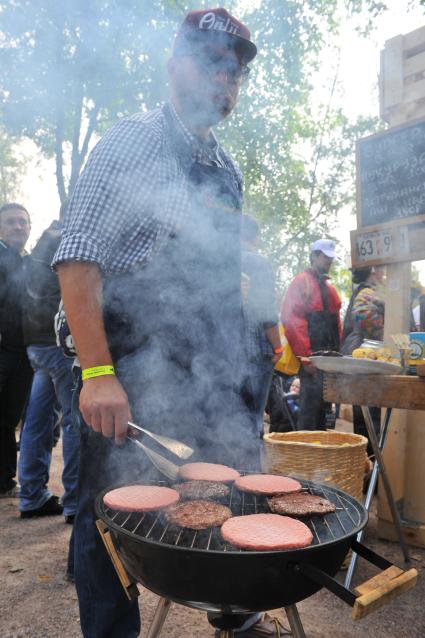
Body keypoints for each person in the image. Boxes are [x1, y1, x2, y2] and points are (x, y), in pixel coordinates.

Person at [53, 9, 281, 638]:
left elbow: (219, 287)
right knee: (112, 516)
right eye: (211, 63)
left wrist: (237, 383)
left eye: (234, 74)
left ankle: (234, 615)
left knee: (229, 490)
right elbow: (77, 258)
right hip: (129, 368)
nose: (224, 83)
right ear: (175, 63)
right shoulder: (134, 142)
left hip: (204, 371)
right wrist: (99, 374)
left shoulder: (226, 170)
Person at [18, 205, 80, 522]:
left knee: (38, 420)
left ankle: (30, 496)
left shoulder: (46, 238)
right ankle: (74, 503)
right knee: (73, 420)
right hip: (57, 346)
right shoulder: (70, 238)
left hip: (36, 344)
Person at [280, 239, 341, 430]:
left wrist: (338, 358)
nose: (329, 262)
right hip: (311, 360)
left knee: (325, 411)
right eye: (325, 257)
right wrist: (306, 358)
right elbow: (292, 321)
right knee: (309, 410)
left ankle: (320, 453)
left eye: (331, 258)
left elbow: (336, 324)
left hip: (329, 360)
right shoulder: (301, 282)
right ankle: (304, 452)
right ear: (314, 256)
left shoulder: (330, 289)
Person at [0, 202, 33, 497]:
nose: (18, 227)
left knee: (8, 418)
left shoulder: (27, 262)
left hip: (22, 354)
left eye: (23, 222)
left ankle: (5, 481)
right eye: (11, 222)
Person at [240, 214, 281, 438]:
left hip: (226, 354)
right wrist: (278, 347)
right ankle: (250, 469)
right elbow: (266, 311)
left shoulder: (221, 261)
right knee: (253, 418)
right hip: (256, 354)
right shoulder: (259, 263)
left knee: (230, 416)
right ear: (255, 237)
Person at [341, 265, 385, 454]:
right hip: (365, 362)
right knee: (370, 423)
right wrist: (387, 329)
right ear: (374, 272)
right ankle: (369, 472)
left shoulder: (362, 292)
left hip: (358, 362)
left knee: (364, 422)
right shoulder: (367, 293)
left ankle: (365, 469)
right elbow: (364, 317)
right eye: (381, 271)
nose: (383, 275)